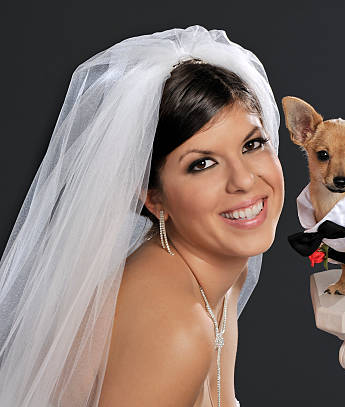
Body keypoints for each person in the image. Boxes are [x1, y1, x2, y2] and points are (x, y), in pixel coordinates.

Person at [0, 25, 284, 407]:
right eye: (202, 164)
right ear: (154, 198)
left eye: (252, 144)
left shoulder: (221, 279)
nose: (244, 180)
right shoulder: (176, 327)